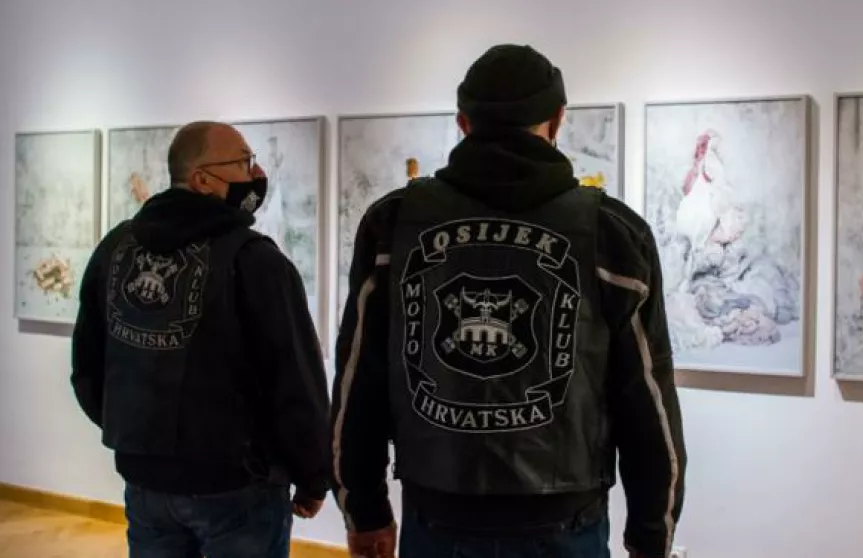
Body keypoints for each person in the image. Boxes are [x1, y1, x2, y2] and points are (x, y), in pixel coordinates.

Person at [331, 44, 687, 558]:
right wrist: (653, 531)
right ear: (557, 119)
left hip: (437, 515)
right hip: (564, 520)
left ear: (463, 122)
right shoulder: (613, 233)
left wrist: (363, 508)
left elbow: (358, 378)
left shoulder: (393, 225)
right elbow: (648, 396)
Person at [70, 121, 333, 558]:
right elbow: (295, 381)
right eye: (244, 162)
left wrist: (137, 440)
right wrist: (313, 474)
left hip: (146, 481)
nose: (256, 173)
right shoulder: (254, 259)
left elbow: (88, 364)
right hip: (237, 485)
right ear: (203, 179)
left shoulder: (116, 250)